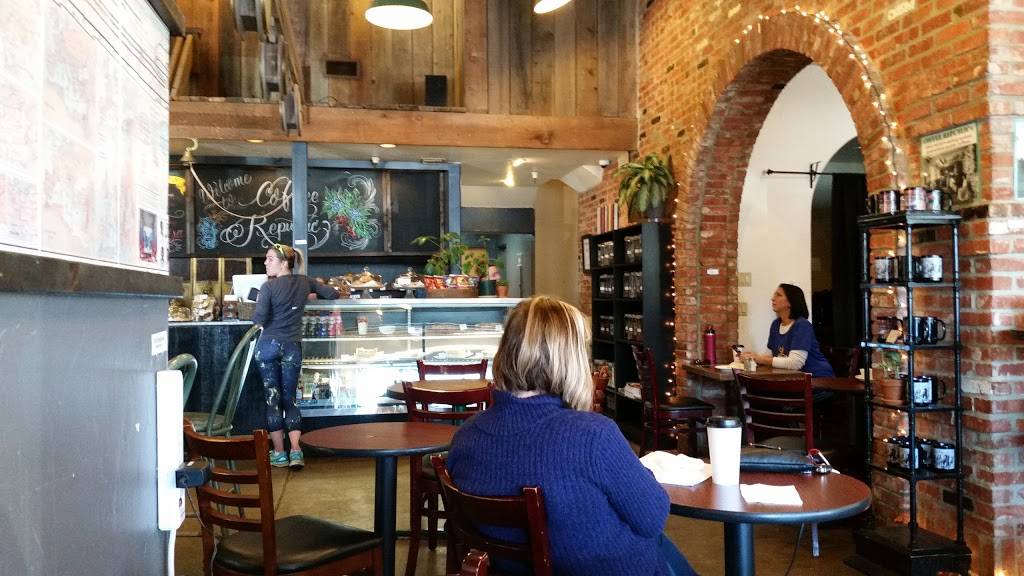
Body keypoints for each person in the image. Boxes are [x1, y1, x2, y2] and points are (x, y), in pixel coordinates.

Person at [446, 296, 696, 576]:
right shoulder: (593, 436)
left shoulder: (465, 437)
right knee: (661, 544)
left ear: (506, 351)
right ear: (572, 359)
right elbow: (652, 518)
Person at [251, 243, 339, 469]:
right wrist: (308, 296)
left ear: (283, 263)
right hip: (292, 347)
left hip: (268, 346)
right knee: (289, 400)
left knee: (273, 400)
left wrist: (260, 300)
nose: (265, 262)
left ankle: (280, 454)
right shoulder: (305, 281)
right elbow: (332, 293)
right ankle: (296, 451)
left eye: (270, 259)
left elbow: (258, 319)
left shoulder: (268, 287)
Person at [741, 283, 834, 378]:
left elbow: (795, 363)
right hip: (793, 378)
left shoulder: (802, 325)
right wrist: (752, 357)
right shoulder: (775, 325)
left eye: (778, 295)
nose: (772, 299)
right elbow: (771, 357)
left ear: (791, 302)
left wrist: (760, 359)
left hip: (817, 378)